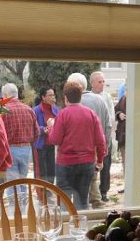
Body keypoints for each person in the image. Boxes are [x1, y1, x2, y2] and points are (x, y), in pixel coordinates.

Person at [47, 81, 107, 210]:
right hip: (87, 164)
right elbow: (101, 140)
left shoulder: (62, 114)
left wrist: (51, 127)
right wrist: (100, 160)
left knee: (64, 201)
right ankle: (81, 229)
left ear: (66, 98)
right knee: (83, 201)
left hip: (65, 164)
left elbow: (54, 140)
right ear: (80, 96)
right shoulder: (91, 114)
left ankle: (67, 228)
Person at [68, 72, 110, 208]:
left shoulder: (73, 103)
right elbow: (108, 126)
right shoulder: (100, 100)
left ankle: (86, 208)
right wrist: (104, 149)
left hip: (79, 152)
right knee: (92, 178)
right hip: (97, 148)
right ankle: (96, 203)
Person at [1, 83, 39, 183]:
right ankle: (23, 199)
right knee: (23, 181)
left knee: (12, 184)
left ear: (5, 95)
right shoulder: (29, 110)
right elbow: (37, 132)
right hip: (26, 149)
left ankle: (15, 199)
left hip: (10, 150)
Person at [115, 92, 140, 195]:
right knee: (126, 163)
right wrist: (119, 114)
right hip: (124, 137)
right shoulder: (123, 98)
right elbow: (116, 109)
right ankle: (129, 186)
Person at [90, 71, 115, 201]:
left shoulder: (107, 97)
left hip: (105, 137)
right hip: (92, 139)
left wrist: (109, 138)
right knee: (93, 167)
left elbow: (111, 117)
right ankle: (92, 193)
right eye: (100, 81)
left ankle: (104, 191)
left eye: (103, 81)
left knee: (106, 165)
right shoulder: (88, 98)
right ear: (92, 83)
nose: (102, 84)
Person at [32, 87, 60, 184]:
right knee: (41, 172)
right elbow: (32, 128)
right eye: (50, 95)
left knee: (51, 170)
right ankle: (42, 194)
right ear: (43, 97)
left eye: (53, 95)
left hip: (52, 144)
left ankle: (49, 192)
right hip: (40, 145)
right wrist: (43, 129)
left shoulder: (56, 109)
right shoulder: (36, 110)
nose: (53, 97)